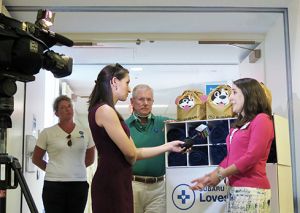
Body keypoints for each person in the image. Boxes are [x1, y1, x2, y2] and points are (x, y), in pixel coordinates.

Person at [87, 63, 184, 213]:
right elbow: (132, 154)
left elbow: (136, 152)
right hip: (112, 181)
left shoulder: (107, 110)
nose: (129, 88)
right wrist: (131, 156)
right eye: (127, 82)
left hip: (118, 179)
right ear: (114, 82)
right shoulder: (105, 110)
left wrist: (169, 146)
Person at [190, 78, 274, 212]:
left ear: (248, 94)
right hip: (235, 189)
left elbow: (252, 157)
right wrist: (210, 176)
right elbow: (231, 157)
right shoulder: (238, 125)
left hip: (252, 190)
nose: (230, 98)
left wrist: (220, 175)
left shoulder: (262, 120)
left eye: (234, 92)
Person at [32, 95, 95, 213]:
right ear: (56, 113)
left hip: (78, 184)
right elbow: (36, 159)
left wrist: (75, 168)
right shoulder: (47, 133)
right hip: (53, 185)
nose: (68, 109)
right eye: (63, 108)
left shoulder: (85, 132)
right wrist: (53, 169)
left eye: (69, 106)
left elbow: (91, 158)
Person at [125, 84, 170, 213]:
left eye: (149, 99)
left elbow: (187, 127)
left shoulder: (164, 124)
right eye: (141, 99)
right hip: (132, 186)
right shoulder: (123, 126)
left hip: (158, 188)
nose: (145, 103)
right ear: (132, 101)